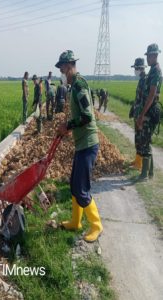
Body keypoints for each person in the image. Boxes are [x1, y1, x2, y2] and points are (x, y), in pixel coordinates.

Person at [55, 50, 103, 243]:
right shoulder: (74, 85)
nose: (61, 71)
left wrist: (67, 125)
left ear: (68, 66)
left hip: (88, 144)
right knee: (74, 184)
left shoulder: (79, 85)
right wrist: (68, 126)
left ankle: (96, 225)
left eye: (62, 68)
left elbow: (87, 116)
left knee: (81, 188)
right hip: (81, 143)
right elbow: (79, 115)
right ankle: (76, 222)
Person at [136, 43, 162, 181]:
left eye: (149, 56)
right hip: (148, 110)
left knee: (145, 142)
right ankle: (150, 173)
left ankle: (144, 174)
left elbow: (151, 95)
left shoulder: (156, 71)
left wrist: (142, 114)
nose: (147, 59)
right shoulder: (152, 70)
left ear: (154, 55)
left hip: (150, 111)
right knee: (146, 141)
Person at [129, 58, 147, 171]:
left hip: (141, 115)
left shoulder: (145, 80)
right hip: (137, 113)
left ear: (141, 68)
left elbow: (144, 100)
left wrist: (140, 115)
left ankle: (139, 163)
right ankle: (136, 159)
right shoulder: (141, 79)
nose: (135, 70)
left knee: (141, 138)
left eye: (136, 68)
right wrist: (133, 109)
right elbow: (138, 98)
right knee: (137, 137)